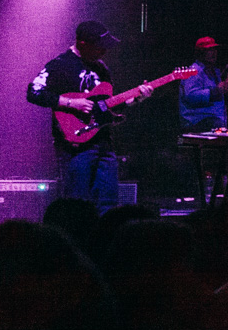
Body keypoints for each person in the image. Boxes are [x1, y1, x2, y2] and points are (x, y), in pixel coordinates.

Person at [27, 20, 151, 214]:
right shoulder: (59, 65)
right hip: (75, 146)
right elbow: (33, 92)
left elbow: (105, 108)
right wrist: (71, 102)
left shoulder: (102, 69)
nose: (104, 52)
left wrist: (135, 99)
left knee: (108, 203)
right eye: (99, 47)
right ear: (83, 44)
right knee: (77, 204)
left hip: (103, 143)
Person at [179, 36, 228, 133]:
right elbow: (190, 96)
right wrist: (216, 91)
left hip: (211, 119)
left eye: (215, 49)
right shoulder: (193, 71)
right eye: (210, 50)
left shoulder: (215, 71)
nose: (214, 52)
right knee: (220, 126)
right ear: (200, 53)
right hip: (196, 121)